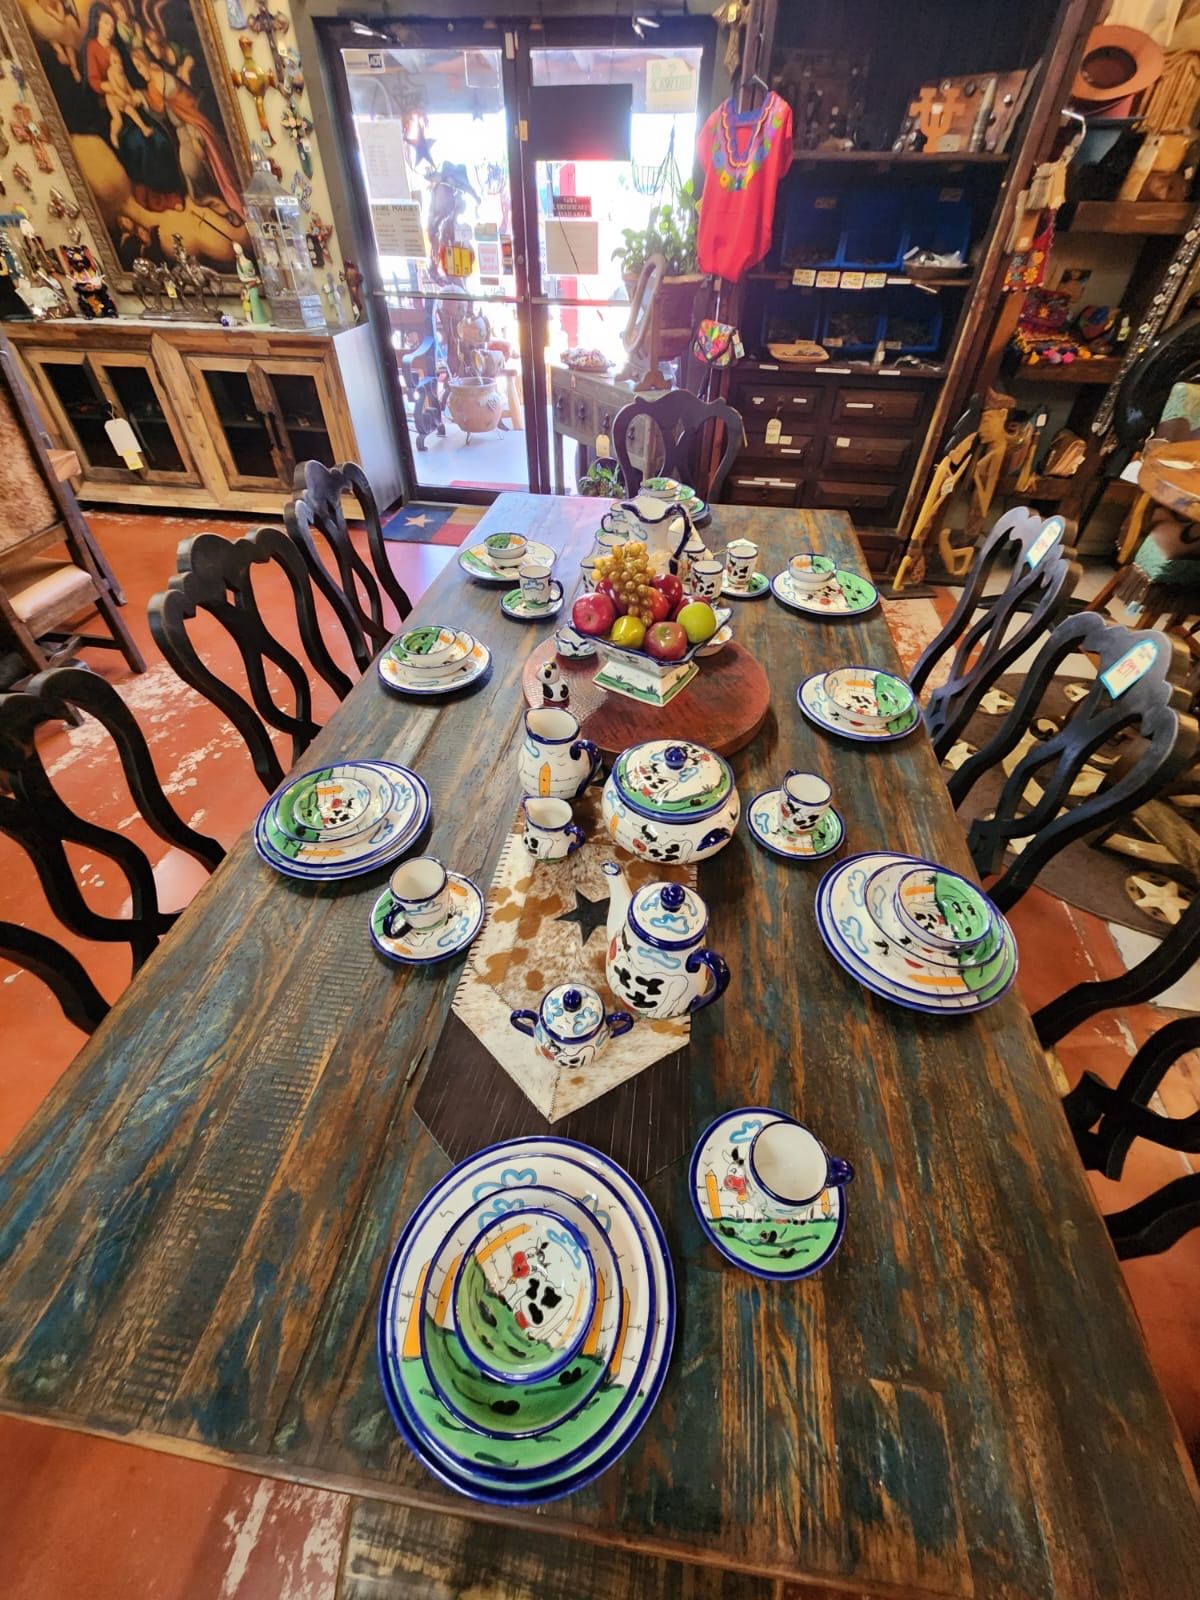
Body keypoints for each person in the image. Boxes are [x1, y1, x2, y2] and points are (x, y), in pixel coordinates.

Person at [84, 6, 153, 144]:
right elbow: (93, 79)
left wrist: (133, 93)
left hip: (125, 93)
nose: (110, 28)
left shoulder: (116, 47)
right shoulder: (92, 46)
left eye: (112, 25)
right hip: (109, 100)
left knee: (152, 128)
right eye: (106, 23)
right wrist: (110, 88)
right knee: (132, 138)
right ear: (97, 23)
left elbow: (127, 75)